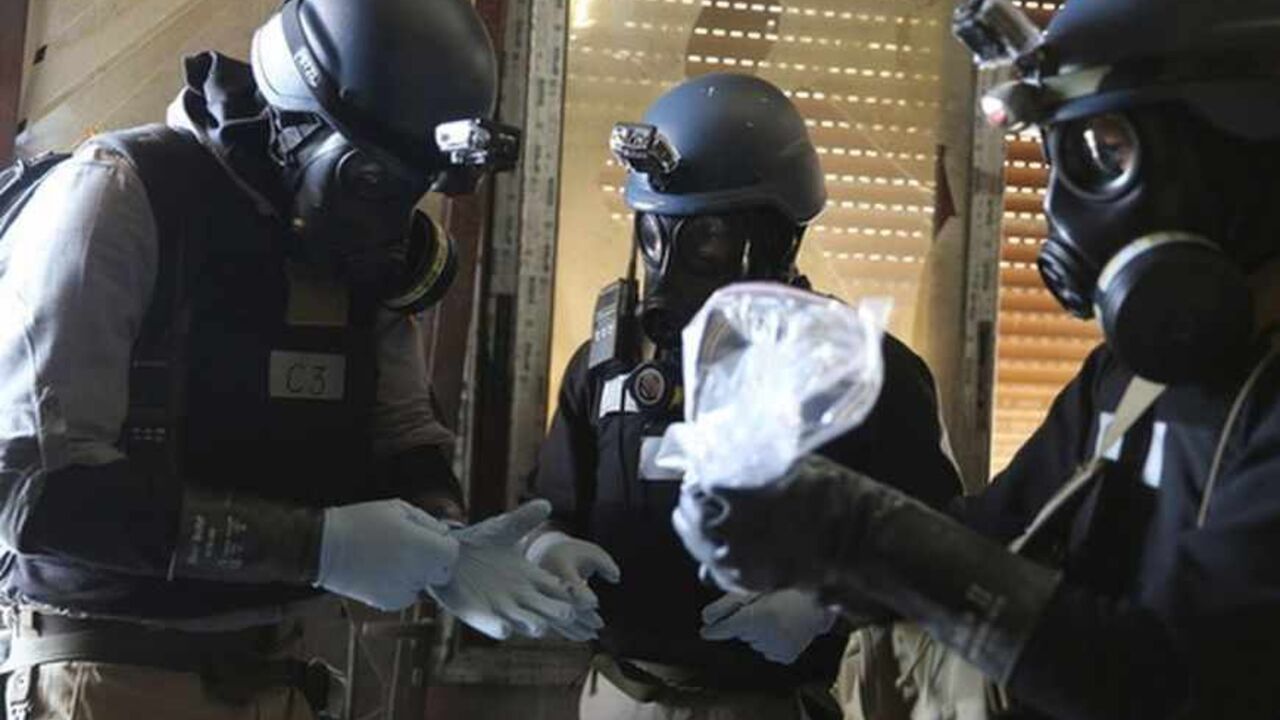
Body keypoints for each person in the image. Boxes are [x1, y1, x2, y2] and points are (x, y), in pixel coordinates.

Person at [673, 1, 1280, 718]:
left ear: (1238, 150)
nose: (1059, 213)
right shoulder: (1128, 378)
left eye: (1103, 155)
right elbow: (987, 540)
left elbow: (1170, 681)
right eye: (1055, 161)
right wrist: (809, 549)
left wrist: (861, 535)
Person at [0, 1, 588, 717]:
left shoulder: (353, 245)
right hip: (116, 671)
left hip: (282, 670)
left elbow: (401, 433)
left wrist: (451, 543)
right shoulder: (123, 195)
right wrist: (319, 547)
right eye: (370, 180)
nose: (387, 219)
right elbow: (30, 490)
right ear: (298, 120)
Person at [523, 73, 963, 720]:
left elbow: (940, 556)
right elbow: (551, 506)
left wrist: (824, 606)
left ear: (779, 238)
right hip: (623, 696)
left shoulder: (864, 376)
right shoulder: (608, 368)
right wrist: (546, 548)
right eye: (654, 233)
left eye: (707, 239)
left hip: (779, 705)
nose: (666, 268)